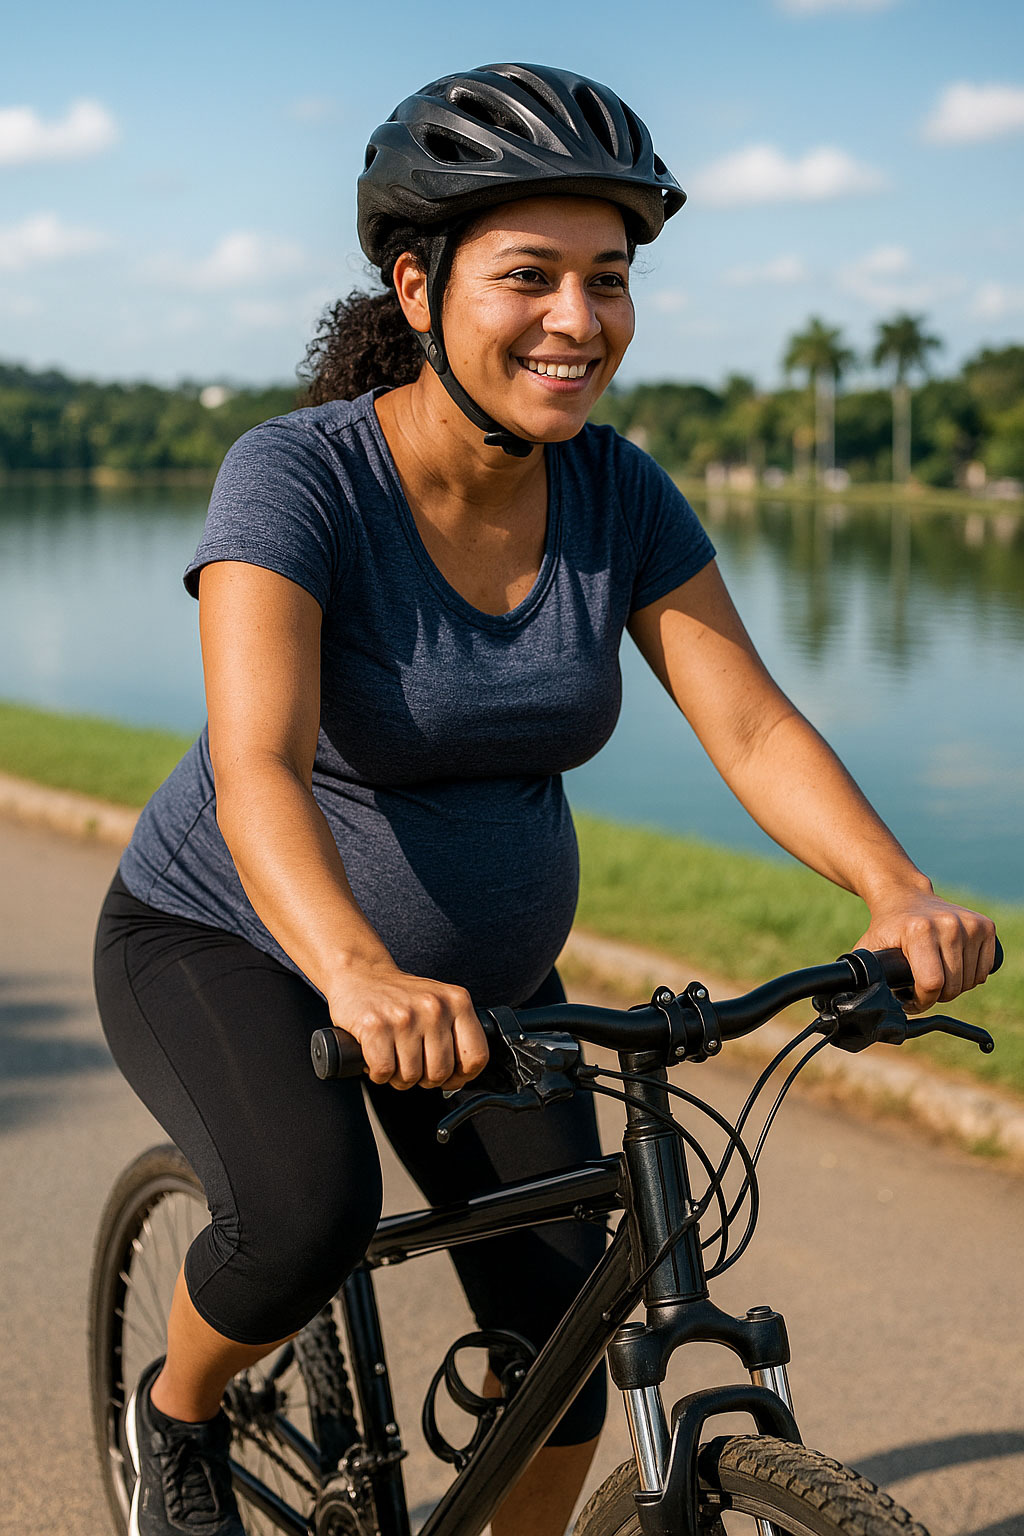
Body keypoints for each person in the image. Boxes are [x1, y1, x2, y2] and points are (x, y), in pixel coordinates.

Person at [93, 62, 996, 1536]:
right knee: (300, 1225)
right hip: (236, 944)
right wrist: (355, 970)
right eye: (532, 276)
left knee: (572, 1343)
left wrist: (894, 891)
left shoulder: (617, 495)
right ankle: (177, 1412)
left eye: (611, 279)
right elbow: (257, 761)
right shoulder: (299, 478)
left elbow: (754, 723)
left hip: (492, 990)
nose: (580, 322)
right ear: (419, 284)